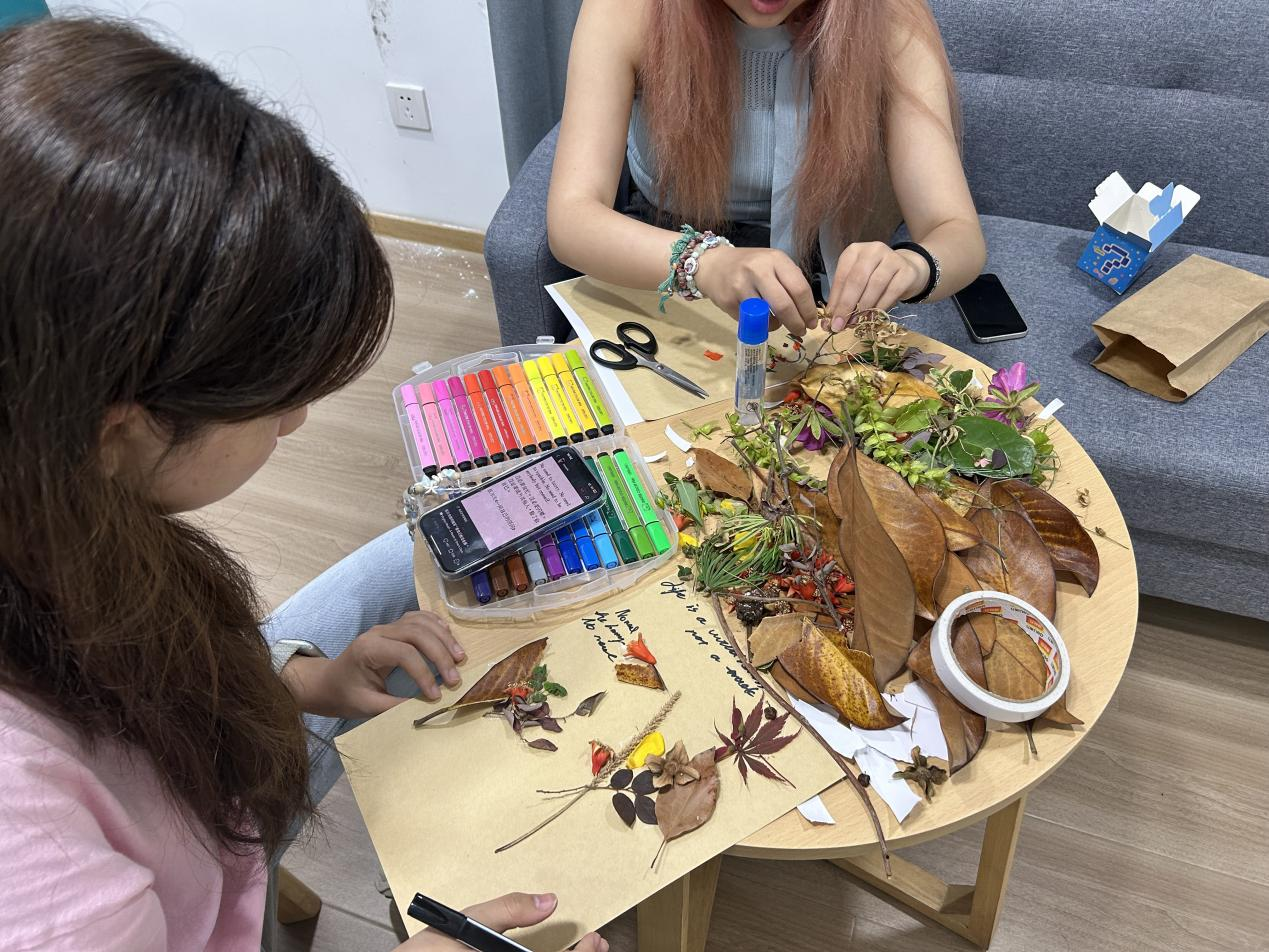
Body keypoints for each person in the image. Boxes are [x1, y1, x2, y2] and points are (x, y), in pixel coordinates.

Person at [0, 17, 606, 952]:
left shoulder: (63, 499)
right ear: (121, 428)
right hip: (204, 872)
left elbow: (167, 670)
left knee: (416, 548)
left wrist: (303, 680)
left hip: (210, 774)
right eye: (278, 397)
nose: (296, 423)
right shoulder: (37, 867)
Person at [547, 0, 986, 337]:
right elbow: (571, 218)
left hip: (825, 267)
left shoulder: (889, 17)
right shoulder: (628, 10)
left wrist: (913, 267)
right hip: (664, 252)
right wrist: (706, 263)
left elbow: (955, 230)